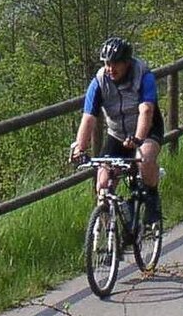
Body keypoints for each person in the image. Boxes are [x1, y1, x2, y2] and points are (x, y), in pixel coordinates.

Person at [69, 36, 163, 224]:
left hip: (147, 130)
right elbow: (88, 118)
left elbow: (146, 110)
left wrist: (137, 139)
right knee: (103, 183)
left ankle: (152, 201)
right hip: (117, 134)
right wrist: (80, 147)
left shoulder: (143, 75)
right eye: (107, 63)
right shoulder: (99, 81)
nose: (110, 68)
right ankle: (110, 241)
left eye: (115, 64)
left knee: (145, 157)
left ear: (127, 63)